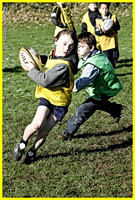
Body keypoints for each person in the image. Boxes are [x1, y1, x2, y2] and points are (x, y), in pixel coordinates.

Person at [12, 29, 78, 164]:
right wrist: (37, 58)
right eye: (64, 44)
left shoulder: (64, 66)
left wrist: (30, 69)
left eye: (71, 46)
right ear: (56, 41)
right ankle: (22, 143)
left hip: (60, 103)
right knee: (36, 124)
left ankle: (33, 151)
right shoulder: (54, 53)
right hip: (47, 97)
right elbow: (49, 59)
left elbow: (45, 80)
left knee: (43, 131)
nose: (67, 48)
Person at [58, 32, 123, 140]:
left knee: (83, 110)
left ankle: (68, 132)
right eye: (77, 46)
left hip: (104, 90)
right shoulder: (94, 54)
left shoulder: (93, 65)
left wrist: (69, 87)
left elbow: (83, 81)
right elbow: (80, 64)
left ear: (91, 47)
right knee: (97, 104)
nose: (78, 49)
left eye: (81, 47)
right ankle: (114, 109)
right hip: (102, 88)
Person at [95, 3, 120, 67]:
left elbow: (118, 27)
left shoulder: (113, 17)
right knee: (107, 57)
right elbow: (97, 31)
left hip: (113, 41)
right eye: (102, 8)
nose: (104, 10)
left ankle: (113, 64)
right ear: (99, 10)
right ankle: (109, 67)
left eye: (106, 8)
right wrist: (103, 32)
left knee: (115, 56)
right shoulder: (98, 20)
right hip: (105, 43)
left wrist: (113, 25)